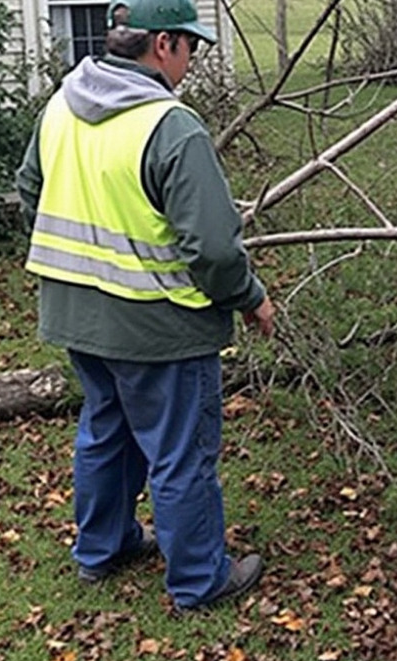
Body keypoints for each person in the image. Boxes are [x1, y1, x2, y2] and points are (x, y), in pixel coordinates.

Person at [15, 0, 274, 611]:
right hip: (161, 325)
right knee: (181, 452)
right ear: (163, 45)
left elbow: (31, 192)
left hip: (78, 315)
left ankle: (101, 550)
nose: (192, 61)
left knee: (106, 430)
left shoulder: (60, 105)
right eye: (191, 47)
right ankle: (201, 580)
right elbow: (212, 248)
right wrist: (252, 298)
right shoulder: (170, 125)